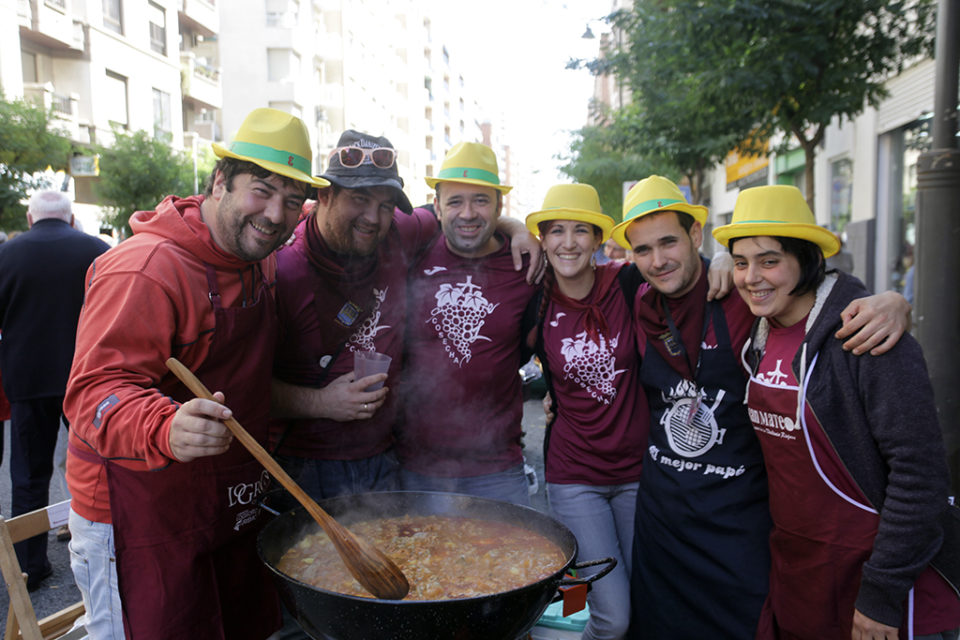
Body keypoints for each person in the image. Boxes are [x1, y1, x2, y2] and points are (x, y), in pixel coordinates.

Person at [609, 176, 912, 639]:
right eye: (643, 249)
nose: (658, 260)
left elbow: (817, 298)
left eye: (669, 242)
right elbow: (564, 270)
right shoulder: (638, 298)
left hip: (739, 528)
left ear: (695, 235)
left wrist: (890, 301)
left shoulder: (745, 299)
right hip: (662, 529)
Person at [63, 108, 324, 640]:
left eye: (292, 200)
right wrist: (164, 425)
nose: (275, 214)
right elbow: (92, 395)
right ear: (220, 181)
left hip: (222, 501)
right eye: (261, 191)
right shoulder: (146, 269)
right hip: (134, 512)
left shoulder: (258, 255)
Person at [714, 184, 960, 640]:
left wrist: (880, 596)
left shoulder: (869, 337)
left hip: (884, 585)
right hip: (800, 573)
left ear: (807, 259)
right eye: (741, 262)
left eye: (770, 260)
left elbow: (920, 477)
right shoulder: (758, 335)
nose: (751, 277)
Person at [524, 183, 647, 639]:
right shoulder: (535, 301)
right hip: (575, 477)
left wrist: (721, 266)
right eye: (556, 231)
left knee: (646, 604)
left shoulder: (629, 283)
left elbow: (689, 284)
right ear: (543, 239)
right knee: (613, 617)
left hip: (639, 475)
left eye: (581, 230)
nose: (568, 242)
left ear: (598, 238)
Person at [397, 141, 539, 505]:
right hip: (419, 465)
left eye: (481, 200)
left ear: (499, 206)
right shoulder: (413, 252)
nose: (468, 213)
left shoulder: (525, 265)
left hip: (498, 465)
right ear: (437, 206)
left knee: (514, 545)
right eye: (455, 201)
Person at [0, 190, 109, 590]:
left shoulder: (6, 255)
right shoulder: (96, 250)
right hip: (86, 377)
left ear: (30, 218)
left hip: (27, 380)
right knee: (98, 468)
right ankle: (104, 552)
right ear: (71, 217)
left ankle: (29, 566)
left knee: (29, 476)